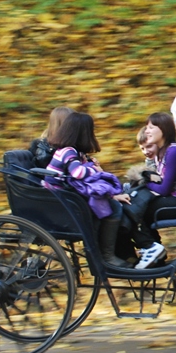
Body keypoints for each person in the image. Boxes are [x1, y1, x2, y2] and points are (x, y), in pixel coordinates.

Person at [43, 112, 131, 268]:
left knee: (109, 205)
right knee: (114, 209)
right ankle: (106, 256)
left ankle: (103, 254)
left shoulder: (70, 151)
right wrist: (94, 169)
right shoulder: (68, 151)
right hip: (60, 199)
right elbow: (78, 173)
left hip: (66, 195)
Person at [123, 112, 176, 269]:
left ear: (163, 129)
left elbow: (163, 189)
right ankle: (155, 253)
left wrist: (145, 182)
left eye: (151, 127)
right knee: (135, 205)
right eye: (147, 127)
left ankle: (150, 248)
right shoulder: (161, 154)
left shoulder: (174, 152)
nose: (147, 131)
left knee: (133, 208)